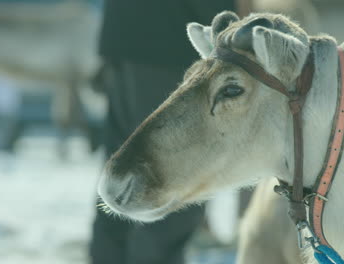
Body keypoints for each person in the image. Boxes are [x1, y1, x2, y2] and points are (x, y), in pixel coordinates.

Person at [90, 1, 235, 263]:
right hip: (170, 46)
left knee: (122, 168)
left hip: (124, 37)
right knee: (171, 175)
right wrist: (232, 31)